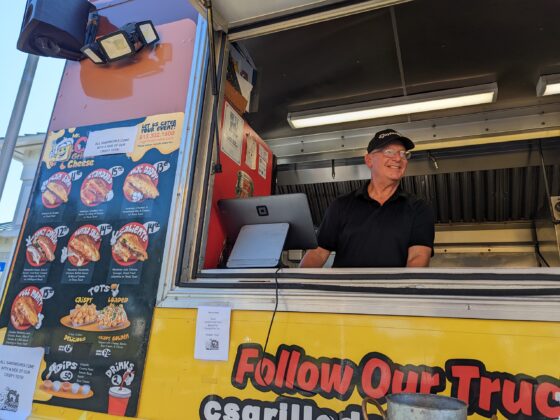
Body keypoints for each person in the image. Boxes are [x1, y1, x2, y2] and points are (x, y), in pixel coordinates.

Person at [299, 129, 434, 268]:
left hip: (393, 289)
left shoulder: (419, 208)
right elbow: (318, 253)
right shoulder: (341, 205)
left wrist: (405, 289)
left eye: (403, 154)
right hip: (343, 289)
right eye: (389, 152)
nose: (398, 158)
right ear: (369, 160)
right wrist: (297, 285)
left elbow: (417, 257)